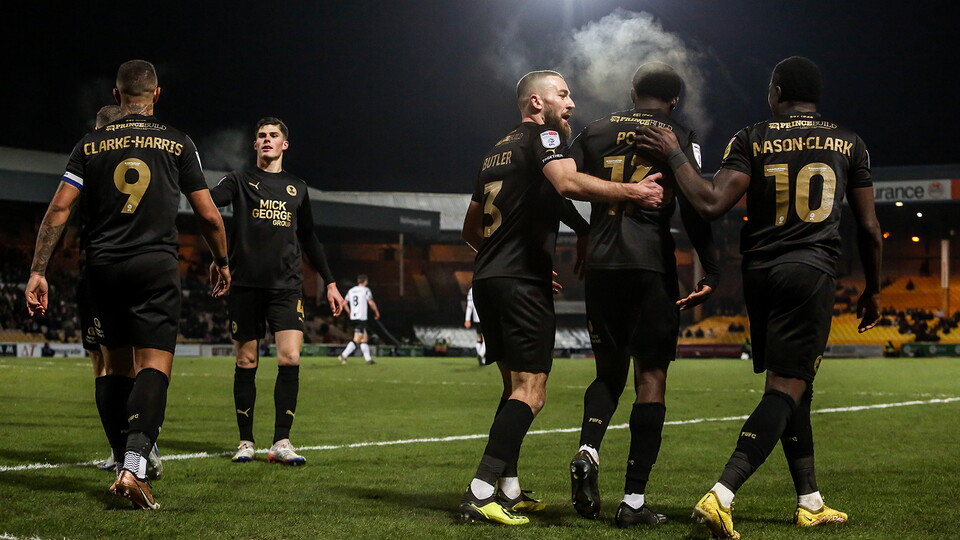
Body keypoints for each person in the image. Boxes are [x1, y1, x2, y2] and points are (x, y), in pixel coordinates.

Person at [637, 56, 882, 538]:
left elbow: (709, 203)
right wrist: (873, 289)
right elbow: (870, 229)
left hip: (760, 275)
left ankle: (809, 500)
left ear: (775, 91)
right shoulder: (849, 143)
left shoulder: (752, 137)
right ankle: (722, 493)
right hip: (810, 271)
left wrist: (675, 155)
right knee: (787, 386)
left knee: (796, 386)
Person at [458, 69, 665, 526]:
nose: (570, 104)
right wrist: (632, 191)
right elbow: (567, 183)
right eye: (563, 95)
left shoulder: (496, 150)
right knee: (532, 393)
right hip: (519, 283)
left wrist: (570, 235)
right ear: (536, 102)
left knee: (513, 388)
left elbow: (470, 228)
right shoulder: (544, 135)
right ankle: (479, 491)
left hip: (489, 278)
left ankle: (508, 488)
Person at [25, 59, 231, 509]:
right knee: (154, 364)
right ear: (156, 95)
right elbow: (208, 213)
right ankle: (134, 466)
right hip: (154, 267)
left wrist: (38, 270)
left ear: (117, 96)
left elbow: (58, 211)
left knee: (113, 368)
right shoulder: (178, 142)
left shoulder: (90, 144)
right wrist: (221, 260)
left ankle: (122, 460)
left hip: (101, 269)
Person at [566, 62, 721, 528]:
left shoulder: (594, 130)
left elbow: (556, 183)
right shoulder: (677, 132)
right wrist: (711, 267)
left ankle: (588, 449)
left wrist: (581, 231)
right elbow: (697, 205)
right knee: (650, 377)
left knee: (607, 373)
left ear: (632, 91)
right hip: (651, 264)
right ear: (675, 99)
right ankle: (633, 501)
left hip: (602, 265)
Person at [210, 117, 345, 466]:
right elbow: (208, 206)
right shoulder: (238, 181)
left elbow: (310, 237)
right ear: (254, 145)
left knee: (290, 358)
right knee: (246, 361)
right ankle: (245, 441)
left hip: (286, 287)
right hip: (244, 285)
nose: (266, 140)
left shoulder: (297, 188)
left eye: (273, 136)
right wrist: (218, 255)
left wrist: (330, 282)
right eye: (260, 136)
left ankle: (282, 441)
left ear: (285, 144)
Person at [81, 104, 160, 476]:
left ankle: (132, 451)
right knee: (116, 365)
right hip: (126, 271)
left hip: (103, 269)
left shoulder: (94, 154)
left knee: (116, 367)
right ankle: (132, 452)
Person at [338, 275, 380, 365]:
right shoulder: (366, 290)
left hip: (354, 317)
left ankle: (368, 359)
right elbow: (371, 302)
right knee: (357, 339)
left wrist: (349, 312)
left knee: (364, 338)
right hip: (361, 317)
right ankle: (343, 355)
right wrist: (376, 312)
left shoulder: (351, 290)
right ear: (365, 281)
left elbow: (344, 303)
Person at [464, 286, 486, 366]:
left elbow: (469, 306)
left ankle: (482, 359)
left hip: (476, 318)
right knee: (487, 339)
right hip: (486, 317)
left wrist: (467, 319)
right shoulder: (486, 287)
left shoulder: (471, 290)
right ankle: (480, 354)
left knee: (479, 337)